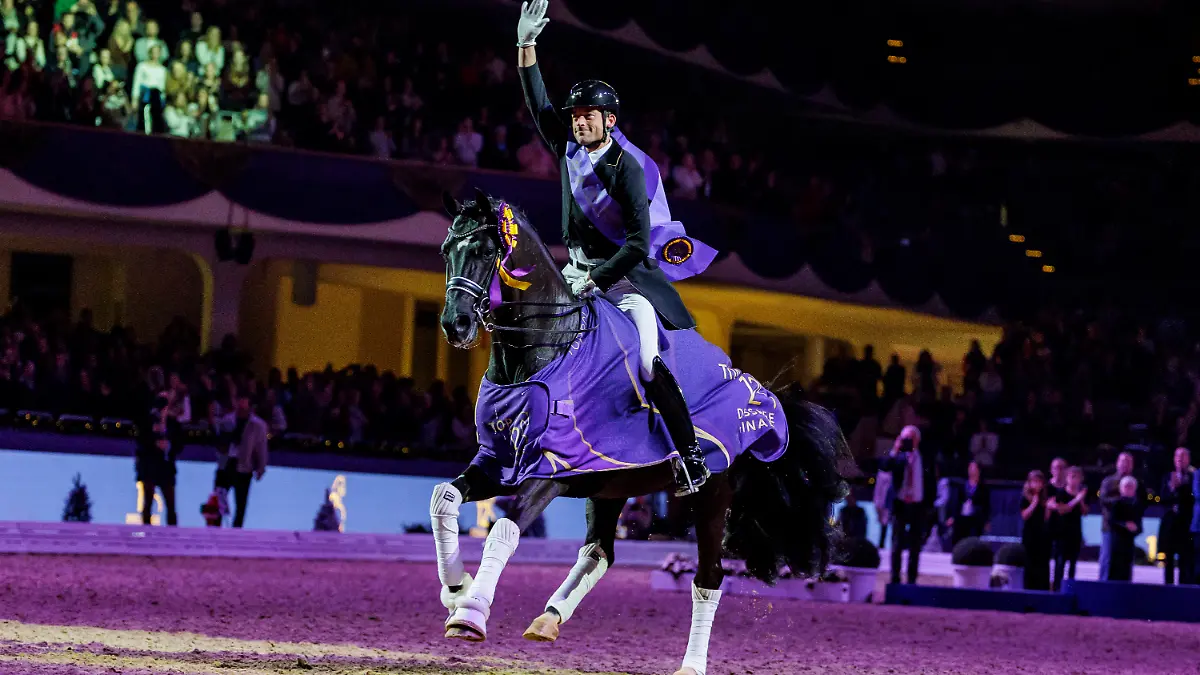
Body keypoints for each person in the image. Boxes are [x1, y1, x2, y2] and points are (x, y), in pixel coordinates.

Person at [515, 0, 717, 496]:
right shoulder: (568, 146)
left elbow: (635, 244)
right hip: (577, 274)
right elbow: (538, 103)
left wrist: (597, 278)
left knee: (648, 361)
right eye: (576, 117)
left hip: (626, 282)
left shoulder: (629, 168)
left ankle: (691, 459)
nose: (578, 123)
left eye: (588, 116)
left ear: (609, 120)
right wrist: (526, 47)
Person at [878, 426, 926, 584]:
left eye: (910, 438)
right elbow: (885, 466)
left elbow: (932, 479)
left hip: (918, 505)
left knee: (915, 545)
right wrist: (895, 450)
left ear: (917, 440)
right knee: (897, 543)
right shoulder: (898, 457)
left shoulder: (924, 457)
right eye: (904, 438)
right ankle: (895, 579)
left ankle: (912, 580)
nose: (907, 441)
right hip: (900, 504)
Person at [213, 393, 268, 528]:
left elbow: (261, 447)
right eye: (239, 402)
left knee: (241, 504)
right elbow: (219, 442)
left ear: (250, 406)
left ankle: (236, 532)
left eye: (244, 403)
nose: (241, 405)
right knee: (218, 501)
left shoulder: (258, 425)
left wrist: (261, 468)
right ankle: (214, 530)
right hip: (225, 465)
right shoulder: (227, 420)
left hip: (244, 466)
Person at [1159, 447, 1194, 584]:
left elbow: (1192, 499)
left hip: (1186, 526)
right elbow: (1162, 498)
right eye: (1177, 456)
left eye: (1183, 456)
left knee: (1185, 562)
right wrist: (1173, 490)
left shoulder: (1193, 477)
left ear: (1188, 459)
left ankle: (1183, 591)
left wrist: (1180, 488)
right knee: (1168, 560)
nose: (1180, 459)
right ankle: (1168, 589)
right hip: (1170, 526)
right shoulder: (1167, 477)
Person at [1098, 452, 1135, 580]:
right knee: (1108, 562)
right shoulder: (1108, 482)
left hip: (1128, 531)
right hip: (1110, 528)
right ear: (1117, 463)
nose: (1125, 464)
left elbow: (1140, 504)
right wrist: (1121, 498)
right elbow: (1103, 501)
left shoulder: (1136, 483)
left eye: (1129, 461)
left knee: (1126, 564)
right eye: (1123, 461)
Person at [1051, 466, 1088, 590]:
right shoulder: (1061, 492)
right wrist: (1076, 500)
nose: (1074, 480)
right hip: (1062, 534)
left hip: (1075, 534)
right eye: (1071, 477)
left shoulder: (1081, 494)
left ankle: (1069, 590)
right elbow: (1062, 510)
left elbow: (1085, 512)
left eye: (1077, 477)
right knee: (1060, 563)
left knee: (1073, 564)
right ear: (1067, 478)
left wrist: (1081, 500)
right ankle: (1057, 590)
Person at [1107, 476, 1143, 582]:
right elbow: (1111, 521)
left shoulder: (1136, 505)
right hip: (1116, 543)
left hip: (1129, 544)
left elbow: (1140, 527)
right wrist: (1125, 525)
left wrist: (1135, 528)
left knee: (1126, 571)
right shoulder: (1116, 503)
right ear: (1121, 488)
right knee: (1114, 570)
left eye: (1131, 487)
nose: (1128, 489)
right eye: (1126, 487)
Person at [1020, 470, 1052, 590]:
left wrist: (1048, 508)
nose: (1037, 484)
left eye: (1039, 482)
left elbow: (1046, 518)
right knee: (1029, 563)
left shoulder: (1045, 498)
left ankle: (1043, 590)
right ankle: (1028, 589)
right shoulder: (1025, 497)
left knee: (1042, 564)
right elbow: (1024, 515)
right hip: (1029, 535)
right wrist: (1034, 502)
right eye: (1034, 481)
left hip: (1042, 535)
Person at [947, 461, 989, 544]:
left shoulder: (983, 488)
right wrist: (952, 517)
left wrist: (986, 521)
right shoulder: (962, 485)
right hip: (961, 518)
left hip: (975, 519)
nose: (972, 470)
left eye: (974, 468)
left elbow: (986, 506)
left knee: (973, 542)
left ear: (978, 471)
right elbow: (956, 503)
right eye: (970, 468)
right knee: (959, 541)